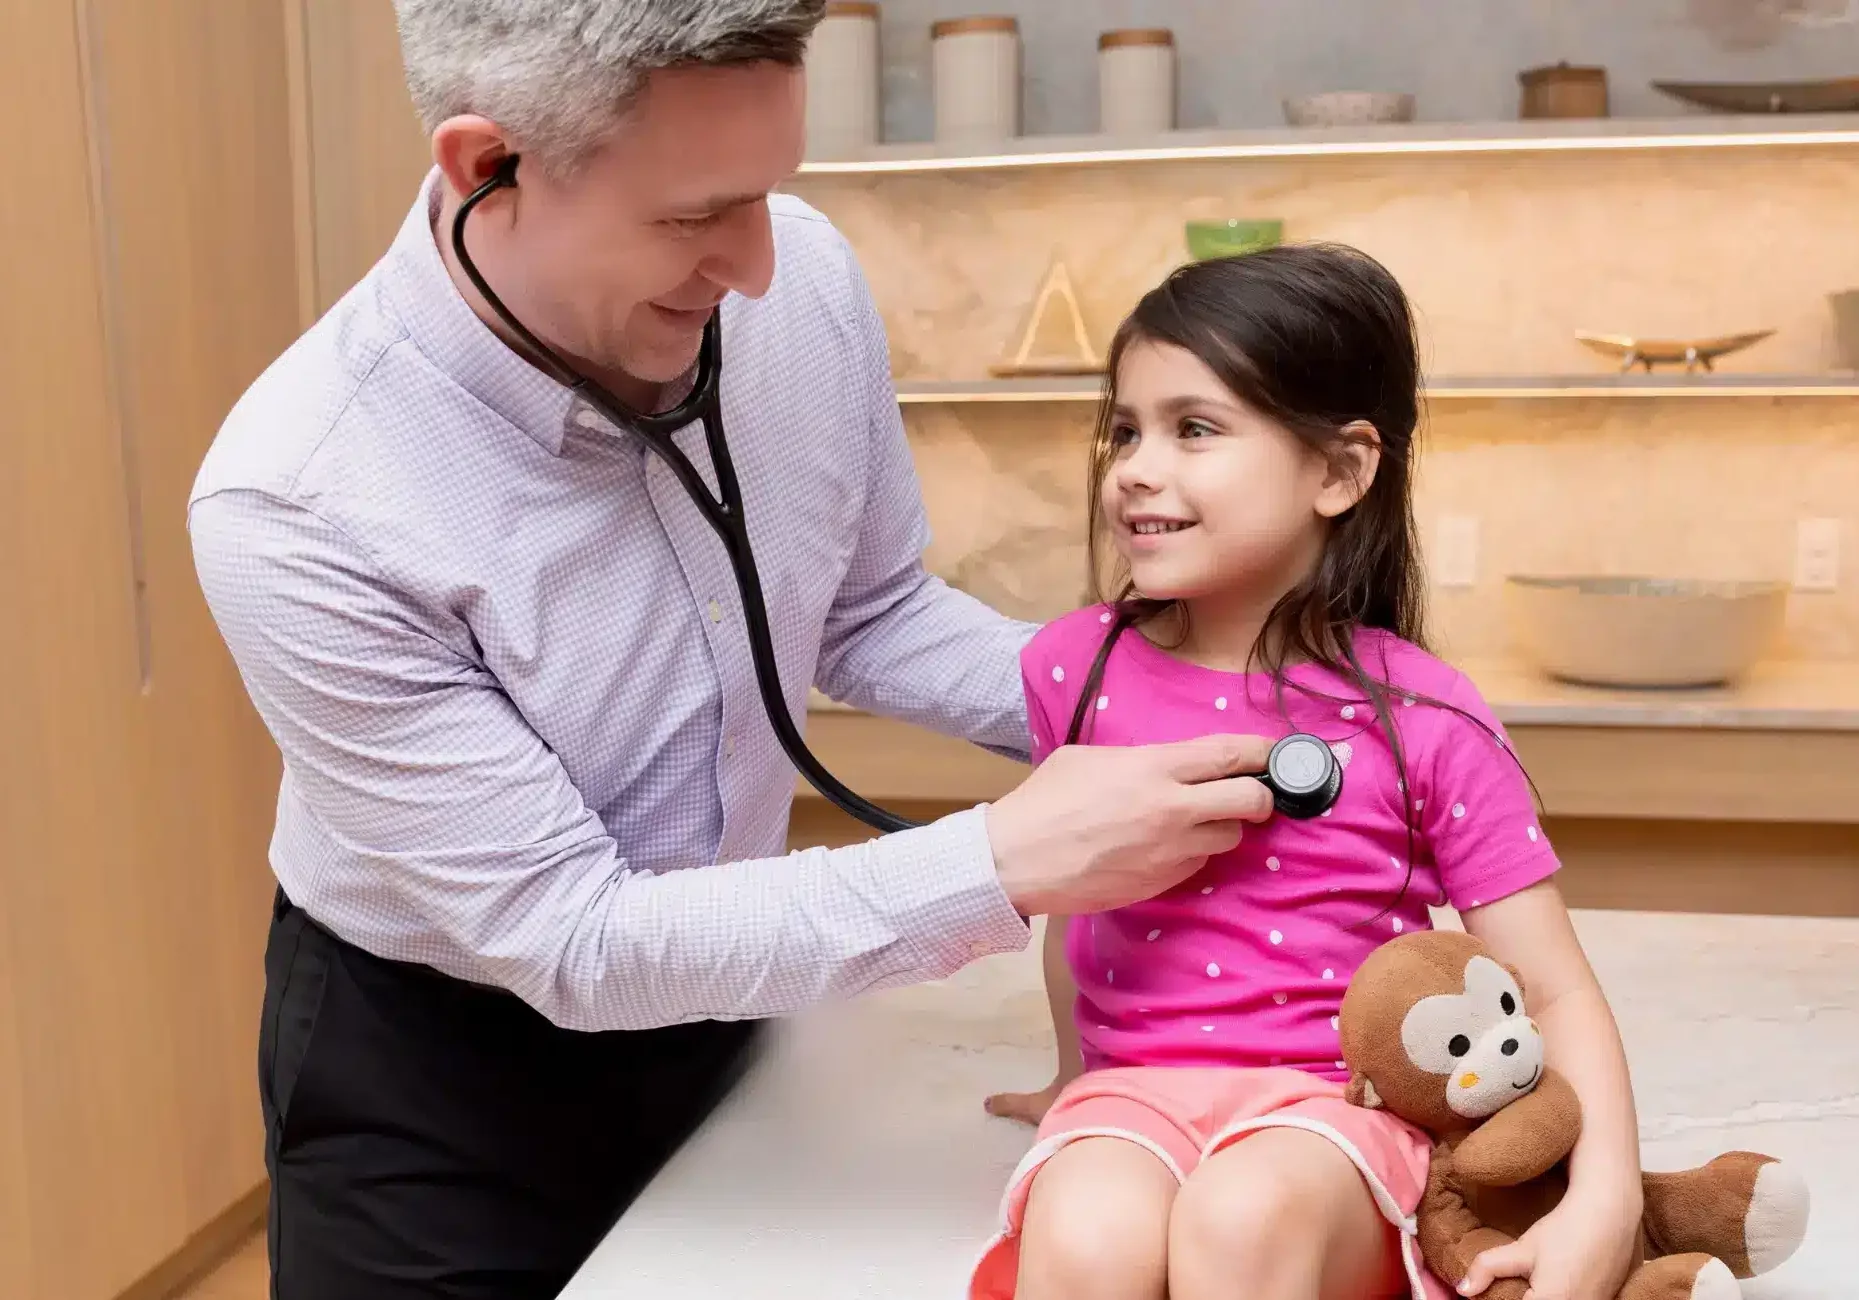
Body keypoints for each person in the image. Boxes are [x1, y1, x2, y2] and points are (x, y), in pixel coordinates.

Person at [186, 3, 1280, 1298]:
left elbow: (867, 610)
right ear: (489, 168)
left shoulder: (802, 284)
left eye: (767, 192)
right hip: (443, 1076)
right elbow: (570, 938)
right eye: (693, 215)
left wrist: (1182, 708)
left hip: (729, 1002)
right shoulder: (302, 501)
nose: (757, 265)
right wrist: (1003, 862)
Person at [969, 245, 1645, 1300]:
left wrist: (1603, 1204)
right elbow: (1076, 899)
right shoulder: (1071, 666)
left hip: (1330, 1105)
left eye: (1193, 428)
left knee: (1239, 1224)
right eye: (1125, 429)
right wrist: (1074, 1074)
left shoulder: (1422, 714)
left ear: (1338, 472)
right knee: (1086, 1236)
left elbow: (1551, 985)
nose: (1136, 466)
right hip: (1133, 1091)